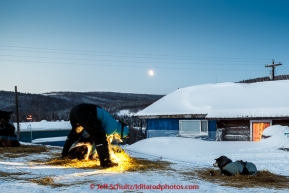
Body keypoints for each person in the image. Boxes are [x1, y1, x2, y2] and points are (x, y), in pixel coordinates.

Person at [61, 104, 129, 168]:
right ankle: (105, 162)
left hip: (76, 111)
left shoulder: (112, 121)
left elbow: (92, 136)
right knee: (101, 137)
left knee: (75, 134)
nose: (117, 137)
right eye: (119, 137)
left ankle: (64, 154)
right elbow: (100, 140)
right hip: (85, 112)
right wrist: (93, 154)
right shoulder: (113, 127)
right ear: (122, 133)